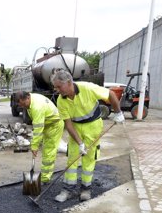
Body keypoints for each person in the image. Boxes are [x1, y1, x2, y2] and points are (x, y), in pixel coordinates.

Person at [50, 69, 124, 202]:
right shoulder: (61, 100)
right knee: (72, 156)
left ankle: (86, 189)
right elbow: (68, 124)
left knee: (89, 158)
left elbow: (111, 94)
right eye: (55, 87)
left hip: (93, 126)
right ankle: (68, 190)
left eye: (59, 87)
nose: (57, 90)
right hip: (75, 127)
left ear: (68, 82)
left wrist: (118, 113)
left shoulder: (88, 88)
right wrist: (80, 143)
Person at [17, 91, 64, 183]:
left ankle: (45, 178)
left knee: (48, 152)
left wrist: (34, 146)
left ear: (27, 98)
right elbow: (38, 127)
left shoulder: (37, 107)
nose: (23, 107)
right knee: (45, 149)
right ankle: (45, 175)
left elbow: (38, 129)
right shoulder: (31, 99)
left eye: (24, 104)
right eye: (21, 106)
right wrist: (35, 144)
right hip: (47, 125)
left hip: (54, 126)